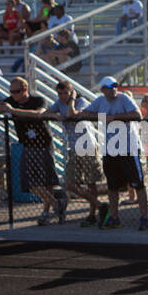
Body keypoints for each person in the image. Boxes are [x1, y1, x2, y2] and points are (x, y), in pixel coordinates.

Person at [66, 76, 148, 230]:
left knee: (138, 184)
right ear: (103, 89)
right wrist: (103, 117)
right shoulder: (100, 101)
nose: (114, 89)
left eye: (115, 86)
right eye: (110, 87)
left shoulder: (123, 98)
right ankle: (114, 217)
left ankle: (144, 217)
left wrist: (115, 118)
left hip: (128, 149)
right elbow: (82, 114)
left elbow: (137, 115)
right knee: (112, 186)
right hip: (110, 150)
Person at [0, 77, 60, 224]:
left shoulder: (37, 100)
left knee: (47, 181)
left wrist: (13, 110)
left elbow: (39, 114)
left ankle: (46, 211)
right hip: (27, 144)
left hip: (42, 142)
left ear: (25, 89)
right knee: (30, 182)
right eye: (11, 92)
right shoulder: (10, 101)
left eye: (16, 92)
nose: (13, 95)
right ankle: (56, 203)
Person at [50, 80, 105, 226]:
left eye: (65, 93)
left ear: (71, 91)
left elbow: (71, 113)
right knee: (69, 183)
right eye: (59, 93)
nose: (62, 96)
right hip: (74, 147)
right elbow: (45, 113)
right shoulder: (59, 103)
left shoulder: (81, 102)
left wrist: (72, 98)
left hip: (87, 146)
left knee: (90, 182)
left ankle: (92, 213)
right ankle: (100, 205)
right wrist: (56, 116)